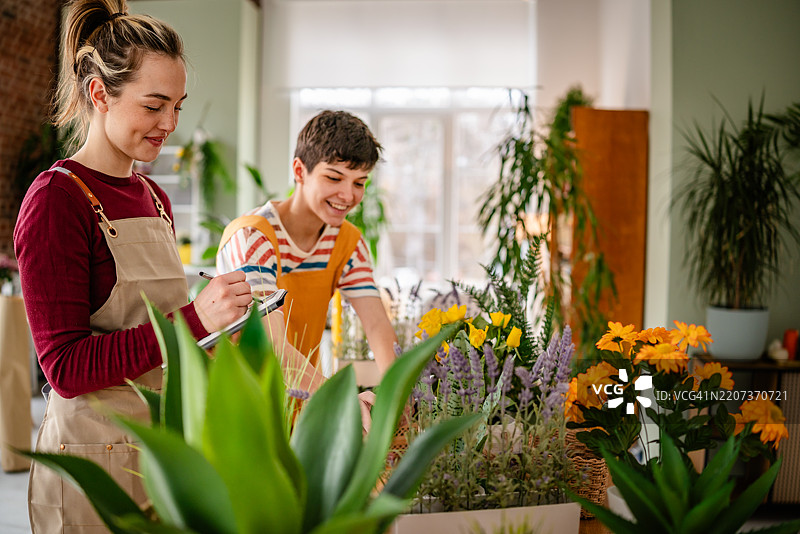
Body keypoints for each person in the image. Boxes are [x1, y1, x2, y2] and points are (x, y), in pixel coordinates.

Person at [13, 1, 252, 531]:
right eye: (154, 105)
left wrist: (218, 333)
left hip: (165, 455)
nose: (169, 124)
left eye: (178, 107)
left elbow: (155, 336)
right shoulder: (57, 200)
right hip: (93, 466)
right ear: (100, 94)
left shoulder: (154, 197)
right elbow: (66, 369)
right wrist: (193, 323)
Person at [216, 110, 398, 375]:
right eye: (334, 178)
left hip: (305, 399)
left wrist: (398, 399)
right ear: (300, 171)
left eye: (359, 182)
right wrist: (333, 401)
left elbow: (377, 326)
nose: (348, 195)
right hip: (247, 402)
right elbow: (272, 345)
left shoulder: (347, 242)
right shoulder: (253, 236)